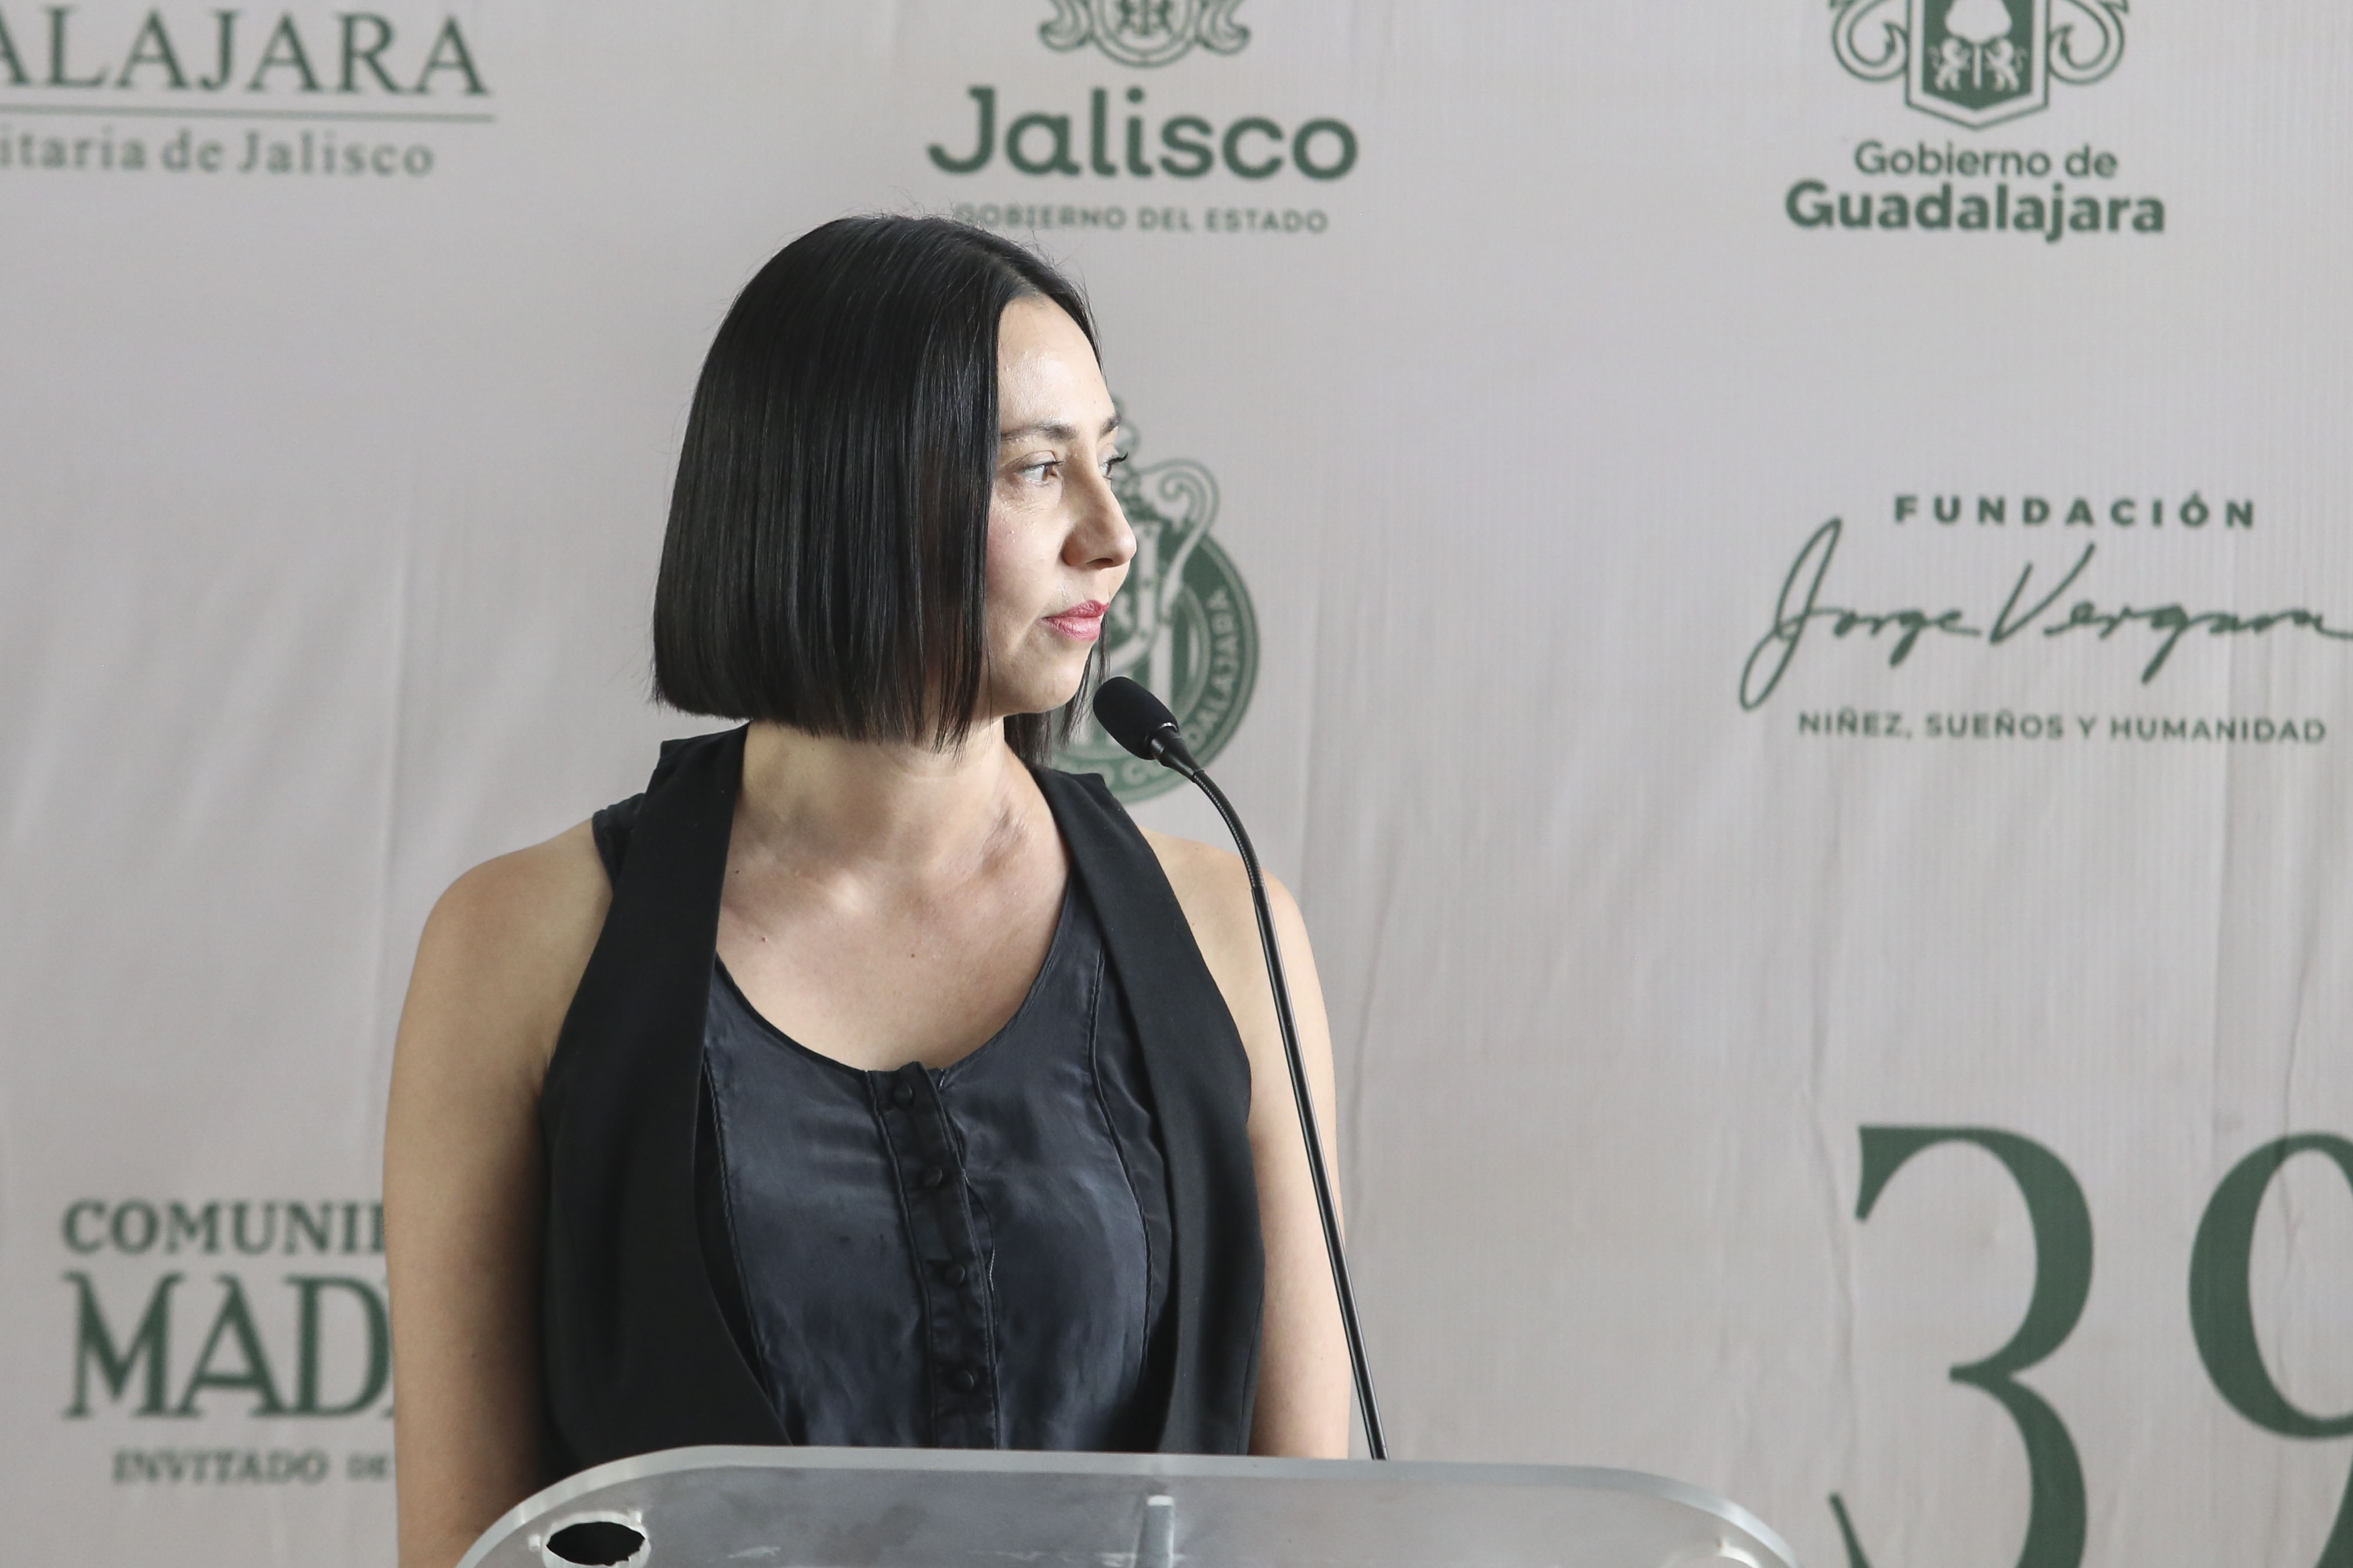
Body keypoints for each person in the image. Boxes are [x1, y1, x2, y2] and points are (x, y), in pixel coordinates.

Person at [382, 216, 1351, 1568]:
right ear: (847, 493)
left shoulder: (1231, 930)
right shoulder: (521, 940)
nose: (1116, 536)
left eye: (1110, 461)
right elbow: (464, 1545)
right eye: (1036, 469)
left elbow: (1309, 1523)